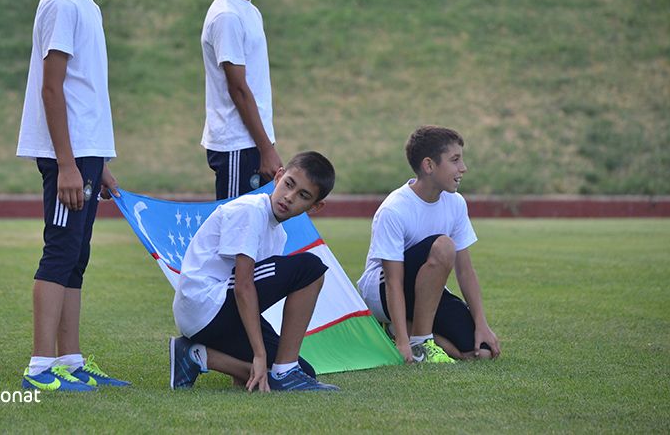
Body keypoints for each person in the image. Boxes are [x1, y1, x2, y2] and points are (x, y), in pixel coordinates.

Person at [16, 0, 129, 391]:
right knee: (59, 251)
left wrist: (97, 159)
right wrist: (65, 162)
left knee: (77, 255)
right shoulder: (61, 1)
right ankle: (41, 367)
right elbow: (51, 86)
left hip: (84, 154)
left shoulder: (84, 2)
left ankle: (72, 360)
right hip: (68, 156)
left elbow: (83, 91)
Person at [169, 151, 339, 391]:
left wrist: (259, 356)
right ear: (278, 177)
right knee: (310, 267)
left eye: (303, 195)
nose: (289, 197)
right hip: (205, 305)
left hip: (217, 316)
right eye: (289, 184)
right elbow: (244, 286)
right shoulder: (251, 210)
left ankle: (195, 355)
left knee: (302, 370)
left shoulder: (279, 234)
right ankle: (284, 372)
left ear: (315, 206)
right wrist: (258, 353)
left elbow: (255, 292)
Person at [357, 126, 501, 363]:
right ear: (429, 165)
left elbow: (465, 270)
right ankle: (417, 342)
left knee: (481, 352)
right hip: (383, 291)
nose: (463, 168)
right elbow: (393, 281)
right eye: (455, 160)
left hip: (426, 291)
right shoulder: (394, 209)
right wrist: (405, 343)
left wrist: (481, 324)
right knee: (444, 246)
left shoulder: (455, 203)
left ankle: (395, 331)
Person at [200, 0, 282, 200]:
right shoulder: (227, 16)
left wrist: (266, 143)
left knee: (254, 235)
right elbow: (238, 88)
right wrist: (266, 149)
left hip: (251, 144)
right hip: (238, 146)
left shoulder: (248, 10)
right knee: (235, 238)